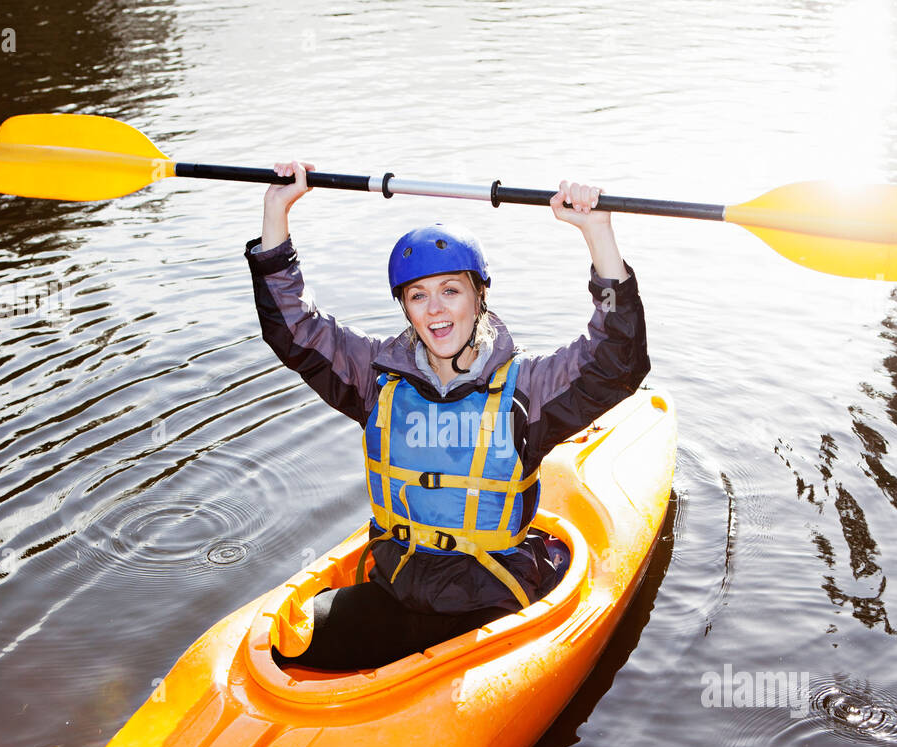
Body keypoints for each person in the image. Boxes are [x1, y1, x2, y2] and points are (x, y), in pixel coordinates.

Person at [246, 161, 648, 670]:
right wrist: (275, 212)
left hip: (490, 596)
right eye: (418, 296)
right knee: (284, 650)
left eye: (450, 290)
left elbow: (617, 359)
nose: (436, 310)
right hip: (397, 585)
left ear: (479, 296)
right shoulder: (375, 378)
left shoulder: (528, 390)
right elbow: (295, 331)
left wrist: (598, 234)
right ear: (406, 309)